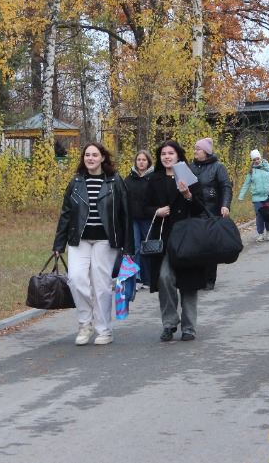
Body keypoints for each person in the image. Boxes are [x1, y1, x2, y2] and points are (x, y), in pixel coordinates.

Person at [53, 142, 133, 346]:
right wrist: (58, 243)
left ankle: (104, 330)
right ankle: (85, 324)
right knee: (76, 279)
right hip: (78, 239)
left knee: (101, 286)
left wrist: (128, 246)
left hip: (105, 240)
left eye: (94, 155)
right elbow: (66, 214)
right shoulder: (76, 182)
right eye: (87, 155)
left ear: (102, 158)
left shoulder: (115, 181)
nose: (90, 158)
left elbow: (125, 214)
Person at [143, 140, 206, 342]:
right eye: (163, 154)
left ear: (178, 156)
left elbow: (200, 209)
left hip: (188, 238)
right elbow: (143, 208)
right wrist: (156, 211)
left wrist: (188, 195)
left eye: (171, 153)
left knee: (189, 283)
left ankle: (189, 328)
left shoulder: (190, 177)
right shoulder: (154, 179)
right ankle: (169, 323)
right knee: (164, 278)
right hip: (164, 238)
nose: (167, 156)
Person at [191, 137, 233, 290]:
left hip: (211, 210)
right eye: (195, 148)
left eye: (198, 149)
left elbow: (226, 187)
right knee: (196, 246)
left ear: (206, 152)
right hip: (194, 210)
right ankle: (197, 278)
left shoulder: (218, 167)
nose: (195, 151)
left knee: (209, 246)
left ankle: (209, 279)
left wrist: (225, 205)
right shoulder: (191, 167)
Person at [125, 150, 154, 292]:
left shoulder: (153, 178)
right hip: (133, 219)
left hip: (148, 218)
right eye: (139, 160)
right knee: (134, 247)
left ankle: (148, 278)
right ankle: (136, 278)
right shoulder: (129, 180)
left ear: (148, 162)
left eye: (144, 160)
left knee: (147, 247)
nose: (141, 162)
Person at [238, 149, 269, 242]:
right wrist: (241, 196)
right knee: (259, 215)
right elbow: (246, 184)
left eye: (258, 159)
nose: (256, 161)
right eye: (254, 160)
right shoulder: (251, 171)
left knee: (268, 214)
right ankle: (260, 234)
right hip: (257, 197)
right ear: (252, 161)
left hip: (268, 195)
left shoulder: (268, 166)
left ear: (260, 158)